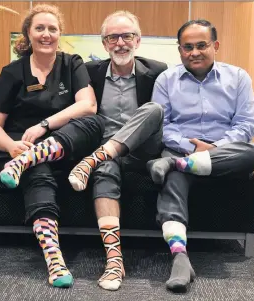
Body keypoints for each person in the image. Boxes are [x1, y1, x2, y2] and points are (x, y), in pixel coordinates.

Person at [0, 4, 105, 288]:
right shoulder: (13, 72)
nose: (46, 34)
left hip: (61, 142)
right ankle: (54, 259)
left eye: (53, 29)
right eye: (40, 28)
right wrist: (13, 147)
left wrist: (44, 125)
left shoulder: (71, 63)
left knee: (94, 123)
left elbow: (88, 105)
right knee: (39, 173)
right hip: (17, 146)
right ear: (28, 33)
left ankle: (28, 160)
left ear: (60, 34)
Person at [146, 19, 254, 292]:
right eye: (188, 47)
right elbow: (162, 125)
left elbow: (246, 124)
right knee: (173, 181)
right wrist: (191, 149)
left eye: (202, 45)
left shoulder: (238, 77)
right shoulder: (166, 80)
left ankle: (174, 164)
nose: (194, 52)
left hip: (224, 152)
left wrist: (216, 148)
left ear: (216, 45)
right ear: (179, 50)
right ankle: (180, 258)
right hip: (181, 147)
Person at [68, 11, 167, 291]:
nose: (120, 42)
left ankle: (92, 160)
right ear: (104, 43)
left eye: (127, 36)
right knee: (105, 170)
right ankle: (114, 260)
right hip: (106, 153)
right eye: (113, 37)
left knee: (154, 109)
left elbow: (168, 117)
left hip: (144, 150)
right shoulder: (90, 74)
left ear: (138, 40)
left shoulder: (159, 71)